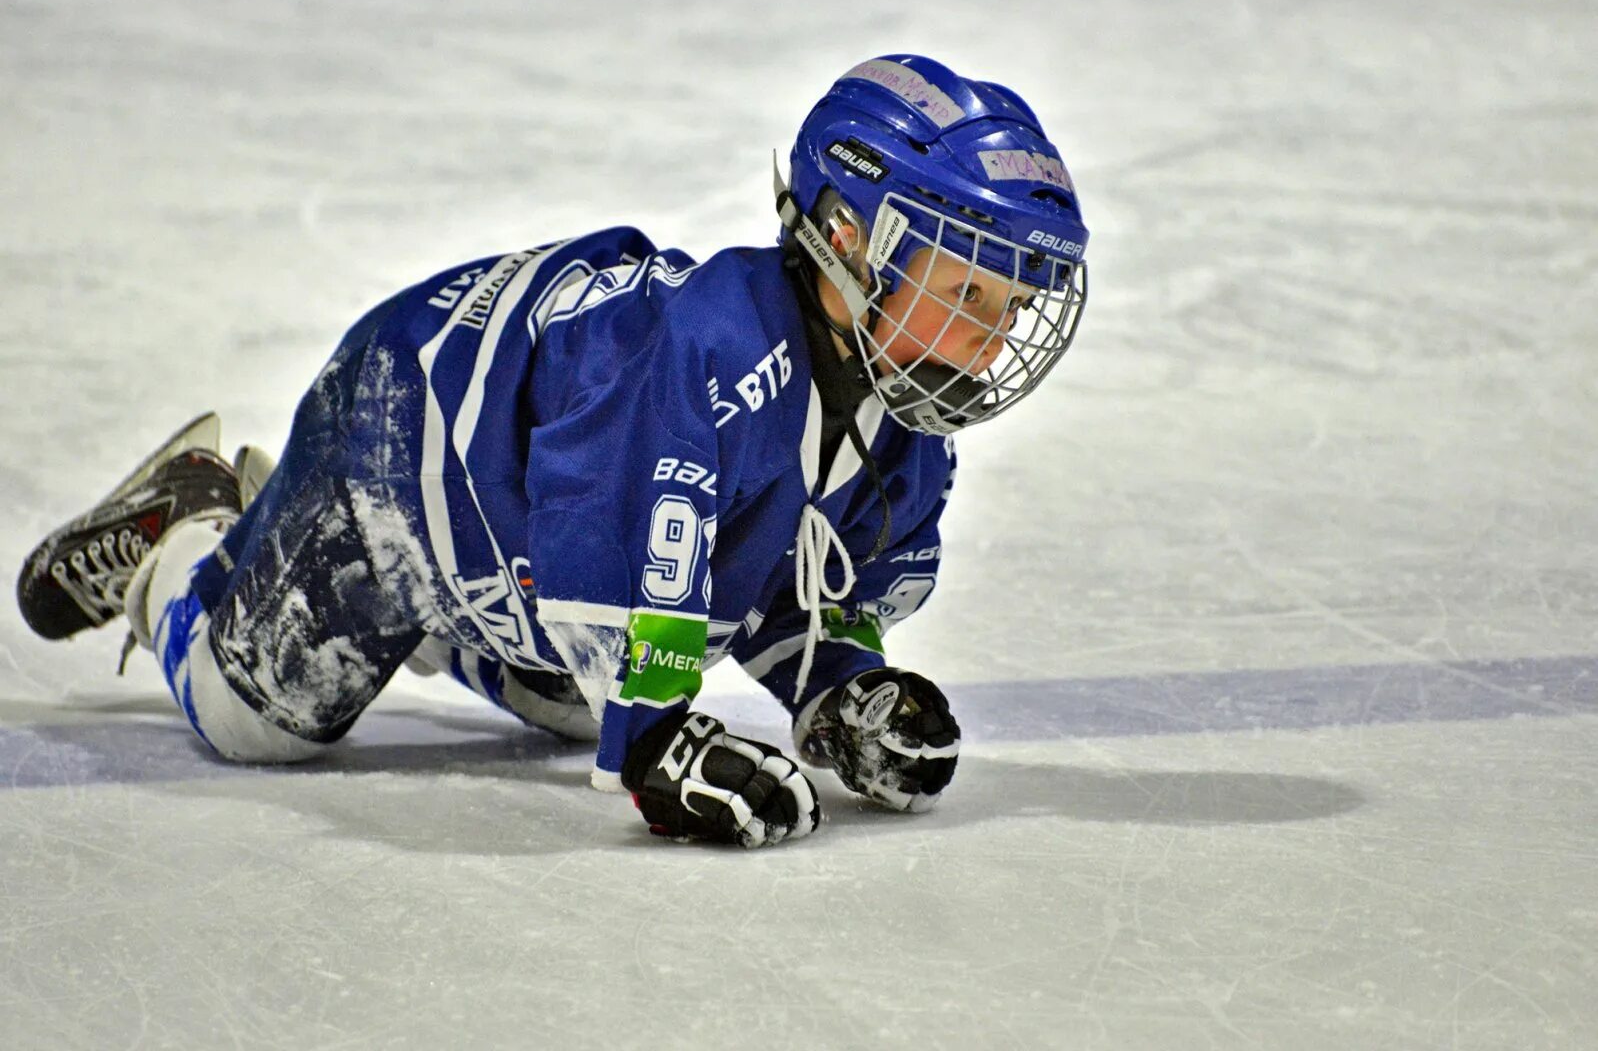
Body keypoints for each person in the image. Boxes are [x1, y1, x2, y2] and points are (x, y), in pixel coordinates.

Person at [16, 54, 1089, 849]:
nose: (993, 335)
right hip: (402, 452)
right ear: (849, 242)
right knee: (258, 721)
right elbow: (627, 572)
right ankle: (189, 525)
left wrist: (840, 692)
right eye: (964, 291)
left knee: (586, 690)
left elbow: (785, 579)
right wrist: (656, 742)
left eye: (1008, 300)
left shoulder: (906, 414)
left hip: (524, 546)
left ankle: (453, 632)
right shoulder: (699, 361)